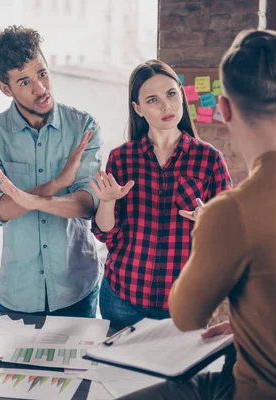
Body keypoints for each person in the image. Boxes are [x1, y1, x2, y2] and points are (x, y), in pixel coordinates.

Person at [123, 30, 276, 400]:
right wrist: (249, 321)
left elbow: (186, 316)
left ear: (225, 108)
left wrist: (205, 229)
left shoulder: (231, 210)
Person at [0, 25, 102, 317]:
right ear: (6, 89)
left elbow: (88, 203)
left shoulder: (83, 126)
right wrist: (55, 185)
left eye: (42, 73)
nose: (40, 88)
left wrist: (26, 201)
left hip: (75, 288)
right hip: (17, 293)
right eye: (24, 81)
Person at [90, 60, 232, 329]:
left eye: (170, 94)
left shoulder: (209, 159)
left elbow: (229, 238)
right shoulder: (122, 158)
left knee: (181, 372)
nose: (166, 106)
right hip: (122, 296)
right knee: (118, 372)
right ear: (138, 108)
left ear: (181, 93)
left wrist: (209, 222)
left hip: (184, 302)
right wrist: (107, 202)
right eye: (152, 99)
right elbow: (106, 234)